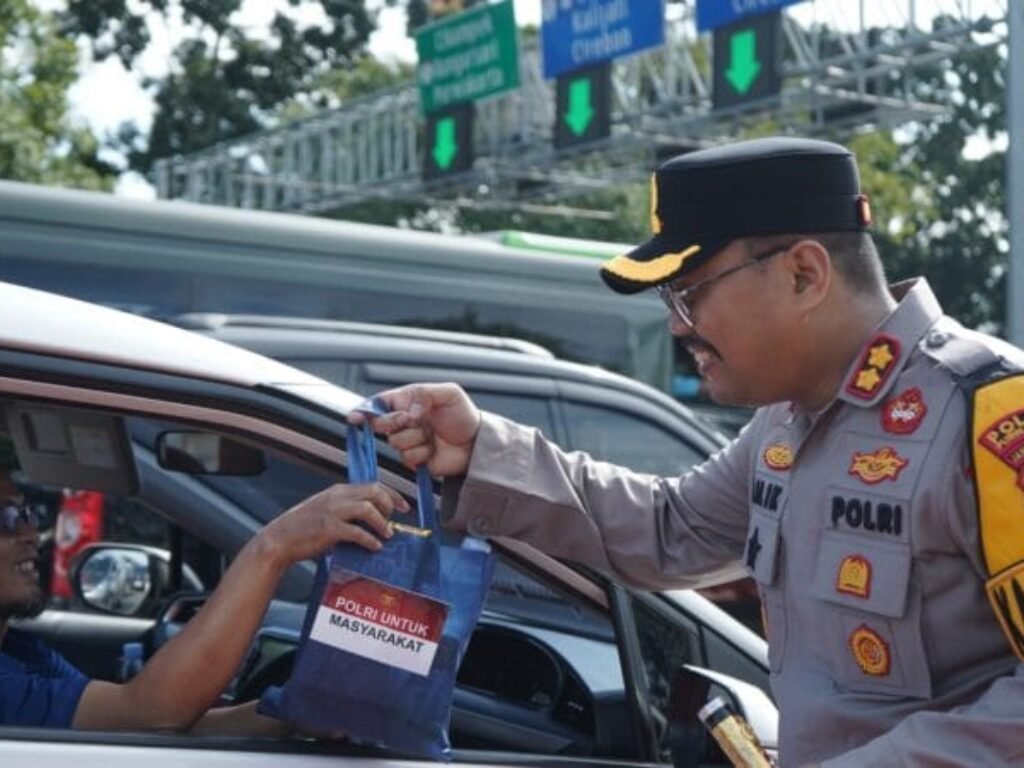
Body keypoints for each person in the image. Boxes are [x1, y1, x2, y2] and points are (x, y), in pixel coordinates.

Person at [353, 137, 1024, 767]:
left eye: (690, 292)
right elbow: (671, 528)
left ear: (803, 275)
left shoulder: (991, 413)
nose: (677, 324)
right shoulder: (788, 419)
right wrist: (480, 452)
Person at [0, 441, 407, 733]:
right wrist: (273, 546)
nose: (30, 533)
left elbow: (152, 729)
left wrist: (291, 714)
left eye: (26, 512)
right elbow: (148, 716)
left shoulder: (17, 650)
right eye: (5, 518)